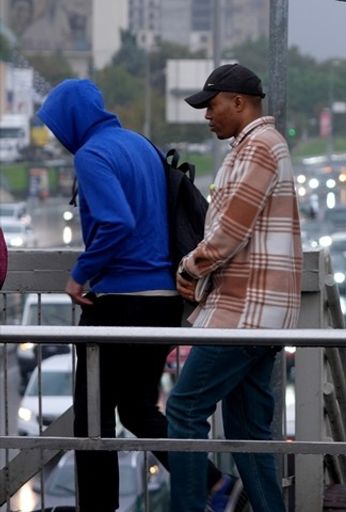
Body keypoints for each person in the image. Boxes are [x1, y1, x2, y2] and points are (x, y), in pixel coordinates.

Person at [35, 79, 223, 510]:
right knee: (138, 409)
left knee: (91, 417)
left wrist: (80, 274)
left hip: (121, 300)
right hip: (162, 298)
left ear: (71, 119)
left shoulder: (92, 154)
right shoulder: (140, 144)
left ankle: (97, 507)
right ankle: (214, 482)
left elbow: (116, 222)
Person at [166, 63, 302, 512]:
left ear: (238, 102)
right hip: (259, 314)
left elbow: (229, 231)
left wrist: (189, 268)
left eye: (212, 105)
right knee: (248, 430)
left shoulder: (259, 148)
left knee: (184, 411)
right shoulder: (258, 146)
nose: (207, 115)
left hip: (245, 311)